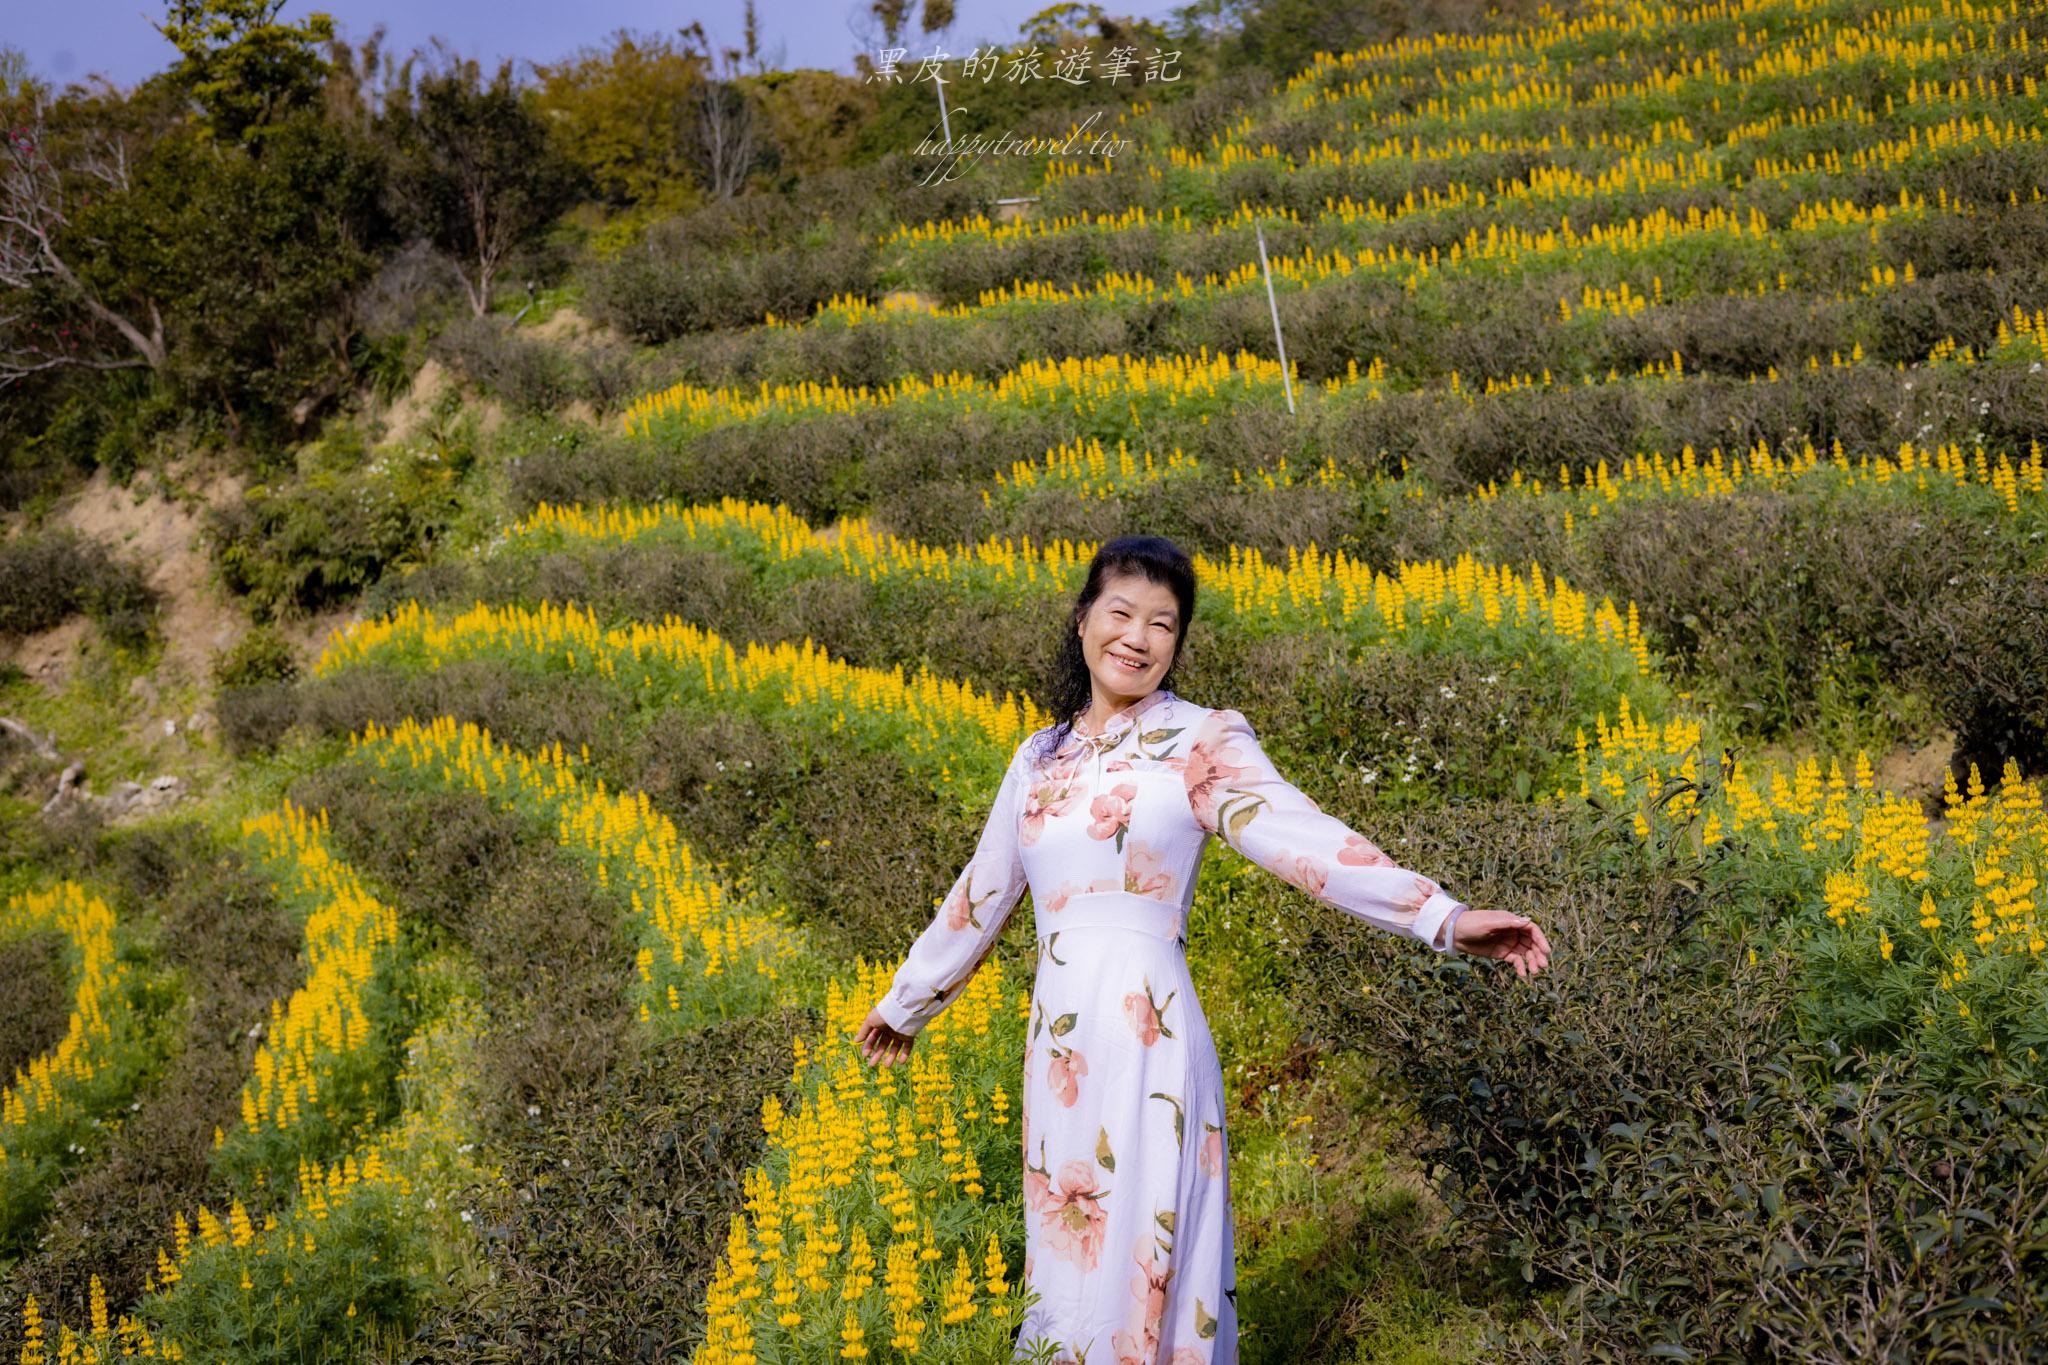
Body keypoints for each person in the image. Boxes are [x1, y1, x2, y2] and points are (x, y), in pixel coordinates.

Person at [855, 534, 1551, 1365]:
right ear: (1082, 621)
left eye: (1163, 623)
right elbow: (985, 887)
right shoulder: (1037, 758)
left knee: (1154, 1258)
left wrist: (1441, 915)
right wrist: (909, 1000)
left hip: (1153, 1037)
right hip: (1062, 1051)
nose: (1138, 637)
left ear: (1178, 643)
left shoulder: (1199, 740)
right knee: (1069, 1267)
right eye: (1120, 613)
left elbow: (1304, 836)